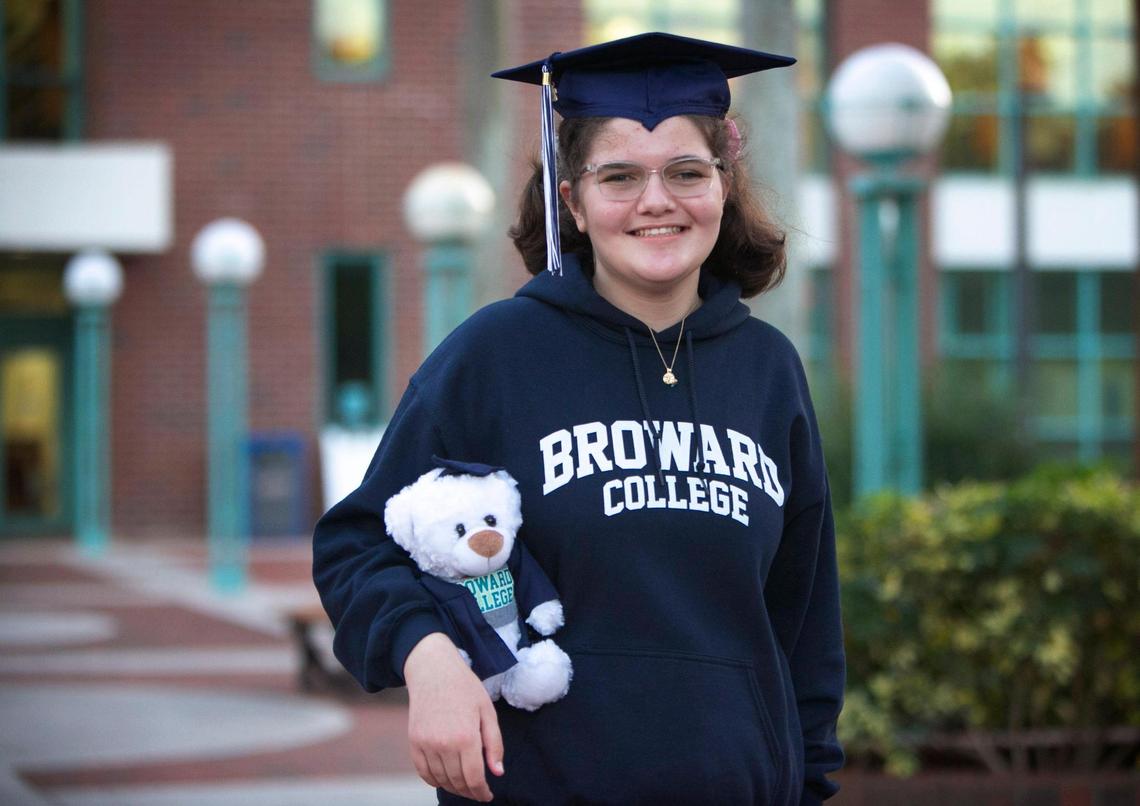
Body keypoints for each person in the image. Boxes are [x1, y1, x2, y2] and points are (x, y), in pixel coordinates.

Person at [313, 31, 845, 805]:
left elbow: (804, 619)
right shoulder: (494, 356)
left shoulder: (768, 371)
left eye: (687, 173)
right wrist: (428, 660)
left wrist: (812, 783)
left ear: (723, 187)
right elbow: (358, 546)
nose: (656, 201)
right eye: (620, 176)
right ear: (574, 200)